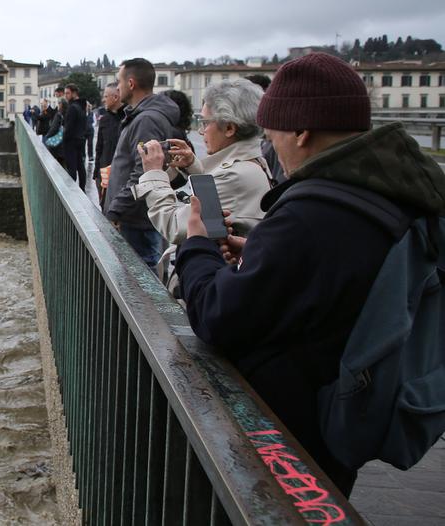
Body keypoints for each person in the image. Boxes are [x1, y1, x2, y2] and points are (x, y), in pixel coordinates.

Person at [176, 53, 445, 496]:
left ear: (301, 131)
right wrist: (264, 252)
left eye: (272, 133)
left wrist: (197, 245)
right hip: (345, 414)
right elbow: (335, 273)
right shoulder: (393, 191)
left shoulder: (312, 213)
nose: (270, 145)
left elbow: (218, 317)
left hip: (291, 434)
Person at [136, 80, 272, 245]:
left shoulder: (234, 176)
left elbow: (175, 226)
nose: (201, 132)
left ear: (229, 128)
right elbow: (215, 206)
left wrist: (153, 174)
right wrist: (192, 165)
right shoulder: (254, 161)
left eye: (206, 123)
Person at [104, 58, 181, 267]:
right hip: (135, 218)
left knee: (139, 282)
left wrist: (115, 209)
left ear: (131, 84)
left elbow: (143, 172)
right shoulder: (141, 117)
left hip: (137, 221)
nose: (117, 87)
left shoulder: (146, 120)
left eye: (119, 82)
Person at [94, 83, 123, 206]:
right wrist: (96, 173)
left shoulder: (129, 119)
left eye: (106, 96)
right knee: (104, 209)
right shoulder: (104, 119)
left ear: (115, 97)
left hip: (120, 176)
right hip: (104, 176)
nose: (103, 100)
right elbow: (99, 147)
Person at [62, 85, 88, 190]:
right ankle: (82, 189)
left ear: (74, 93)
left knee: (72, 167)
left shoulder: (72, 107)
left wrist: (64, 140)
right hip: (80, 140)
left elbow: (68, 127)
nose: (66, 96)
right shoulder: (82, 107)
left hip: (71, 142)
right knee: (80, 166)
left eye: (67, 93)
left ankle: (72, 191)